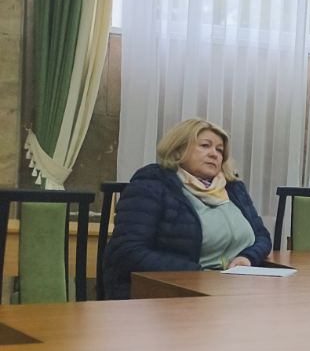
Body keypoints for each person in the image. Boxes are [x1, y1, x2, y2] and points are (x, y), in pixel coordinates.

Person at [102, 117, 272, 299]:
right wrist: (198, 274)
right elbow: (127, 251)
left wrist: (247, 258)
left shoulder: (233, 188)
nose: (214, 154)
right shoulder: (151, 186)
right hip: (170, 293)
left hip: (232, 289)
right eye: (205, 146)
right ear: (178, 149)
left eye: (219, 150)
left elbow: (262, 236)